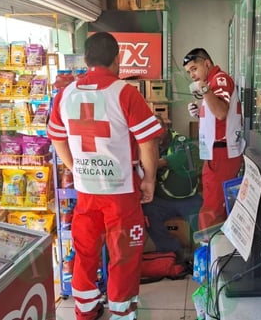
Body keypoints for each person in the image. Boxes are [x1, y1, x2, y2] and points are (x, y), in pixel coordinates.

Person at [47, 32, 163, 320]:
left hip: (86, 193)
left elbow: (56, 138)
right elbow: (148, 142)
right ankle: (122, 315)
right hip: (121, 194)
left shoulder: (65, 95)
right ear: (117, 59)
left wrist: (75, 167)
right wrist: (149, 179)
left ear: (86, 60)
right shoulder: (125, 92)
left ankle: (85, 311)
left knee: (85, 253)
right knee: (123, 257)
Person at [183, 48, 246, 230]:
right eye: (189, 72)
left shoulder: (219, 79)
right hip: (217, 153)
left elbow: (221, 112)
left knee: (212, 210)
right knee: (216, 205)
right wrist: (199, 113)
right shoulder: (213, 82)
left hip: (221, 154)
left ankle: (210, 253)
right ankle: (216, 251)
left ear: (207, 64)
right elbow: (218, 120)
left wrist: (204, 90)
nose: (192, 75)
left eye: (194, 69)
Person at [142, 115, 202, 262]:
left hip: (189, 199)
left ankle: (204, 256)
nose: (155, 133)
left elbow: (176, 159)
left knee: (203, 222)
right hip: (162, 201)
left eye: (158, 128)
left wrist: (150, 160)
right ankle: (174, 251)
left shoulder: (181, 142)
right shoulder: (148, 145)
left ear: (165, 127)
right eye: (151, 130)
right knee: (147, 214)